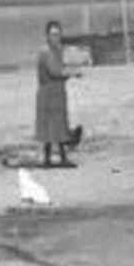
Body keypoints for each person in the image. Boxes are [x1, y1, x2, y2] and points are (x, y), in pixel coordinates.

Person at [35, 21, 82, 167]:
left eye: (57, 34)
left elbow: (61, 68)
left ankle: (62, 157)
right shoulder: (46, 51)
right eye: (53, 34)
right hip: (47, 94)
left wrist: (71, 70)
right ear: (47, 35)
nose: (56, 37)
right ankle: (48, 159)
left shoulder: (58, 50)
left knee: (60, 126)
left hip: (58, 92)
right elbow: (54, 72)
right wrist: (72, 73)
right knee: (49, 128)